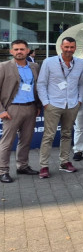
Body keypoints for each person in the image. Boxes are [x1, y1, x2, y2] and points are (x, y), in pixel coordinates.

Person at [36, 37, 83, 179]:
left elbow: (81, 84)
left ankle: (64, 162)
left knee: (67, 134)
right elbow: (41, 84)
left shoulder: (80, 63)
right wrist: (46, 102)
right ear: (61, 47)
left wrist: (79, 100)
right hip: (54, 104)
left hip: (72, 104)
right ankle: (44, 166)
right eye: (66, 47)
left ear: (75, 48)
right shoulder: (49, 62)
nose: (69, 50)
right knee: (48, 136)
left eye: (71, 47)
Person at [0, 40, 41, 183]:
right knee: (7, 143)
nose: (19, 52)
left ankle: (22, 166)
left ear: (27, 51)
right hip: (12, 109)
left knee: (25, 140)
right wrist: (1, 110)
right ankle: (3, 171)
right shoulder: (3, 67)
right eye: (16, 49)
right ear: (11, 51)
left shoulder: (34, 66)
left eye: (22, 49)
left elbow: (37, 87)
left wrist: (38, 106)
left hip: (30, 108)